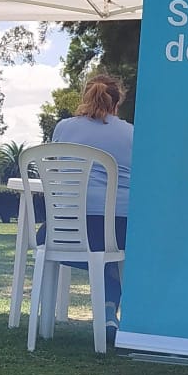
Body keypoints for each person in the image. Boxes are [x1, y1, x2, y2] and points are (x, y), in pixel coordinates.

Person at [49, 72, 133, 345]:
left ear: (85, 97)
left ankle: (48, 319)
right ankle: (110, 309)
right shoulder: (132, 134)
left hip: (65, 230)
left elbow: (57, 170)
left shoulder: (63, 128)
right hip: (116, 231)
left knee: (87, 243)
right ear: (117, 103)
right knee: (115, 249)